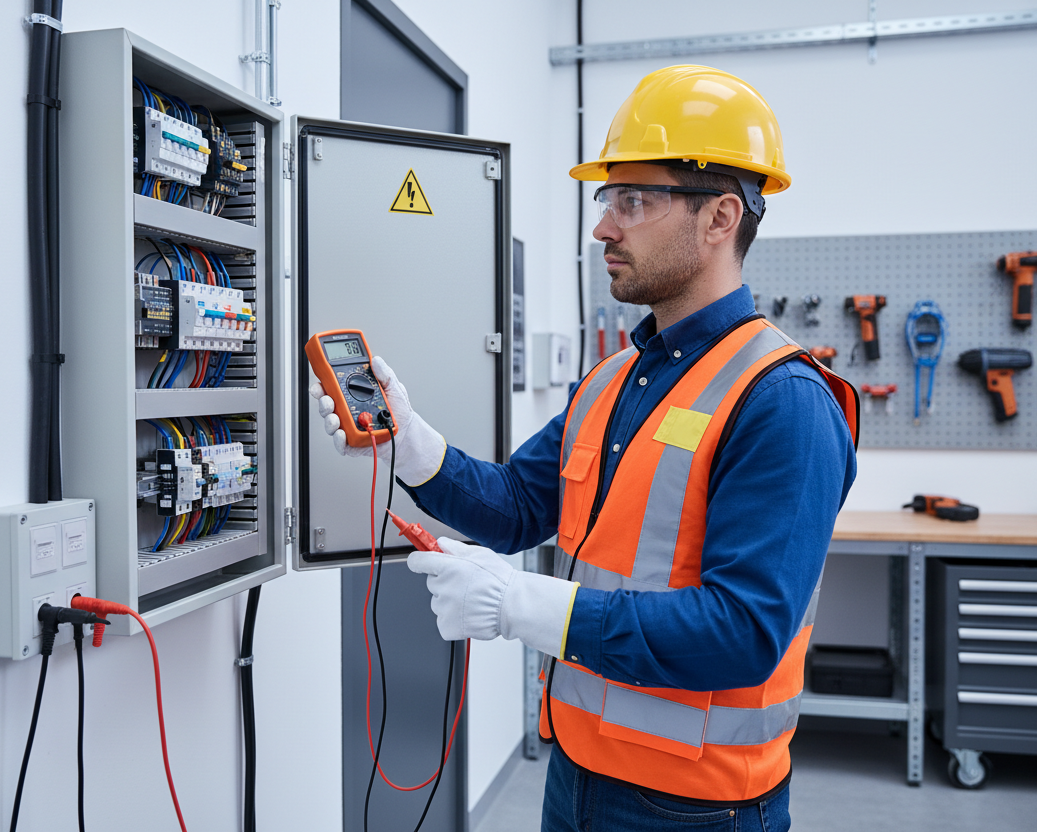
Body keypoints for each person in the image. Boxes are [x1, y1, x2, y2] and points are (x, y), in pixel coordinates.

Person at [310, 65, 859, 832]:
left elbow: (744, 634)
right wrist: (411, 446)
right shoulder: (611, 381)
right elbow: (513, 509)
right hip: (577, 773)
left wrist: (521, 605)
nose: (603, 228)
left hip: (699, 808)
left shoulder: (782, 401)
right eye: (607, 200)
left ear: (720, 217)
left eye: (633, 200)